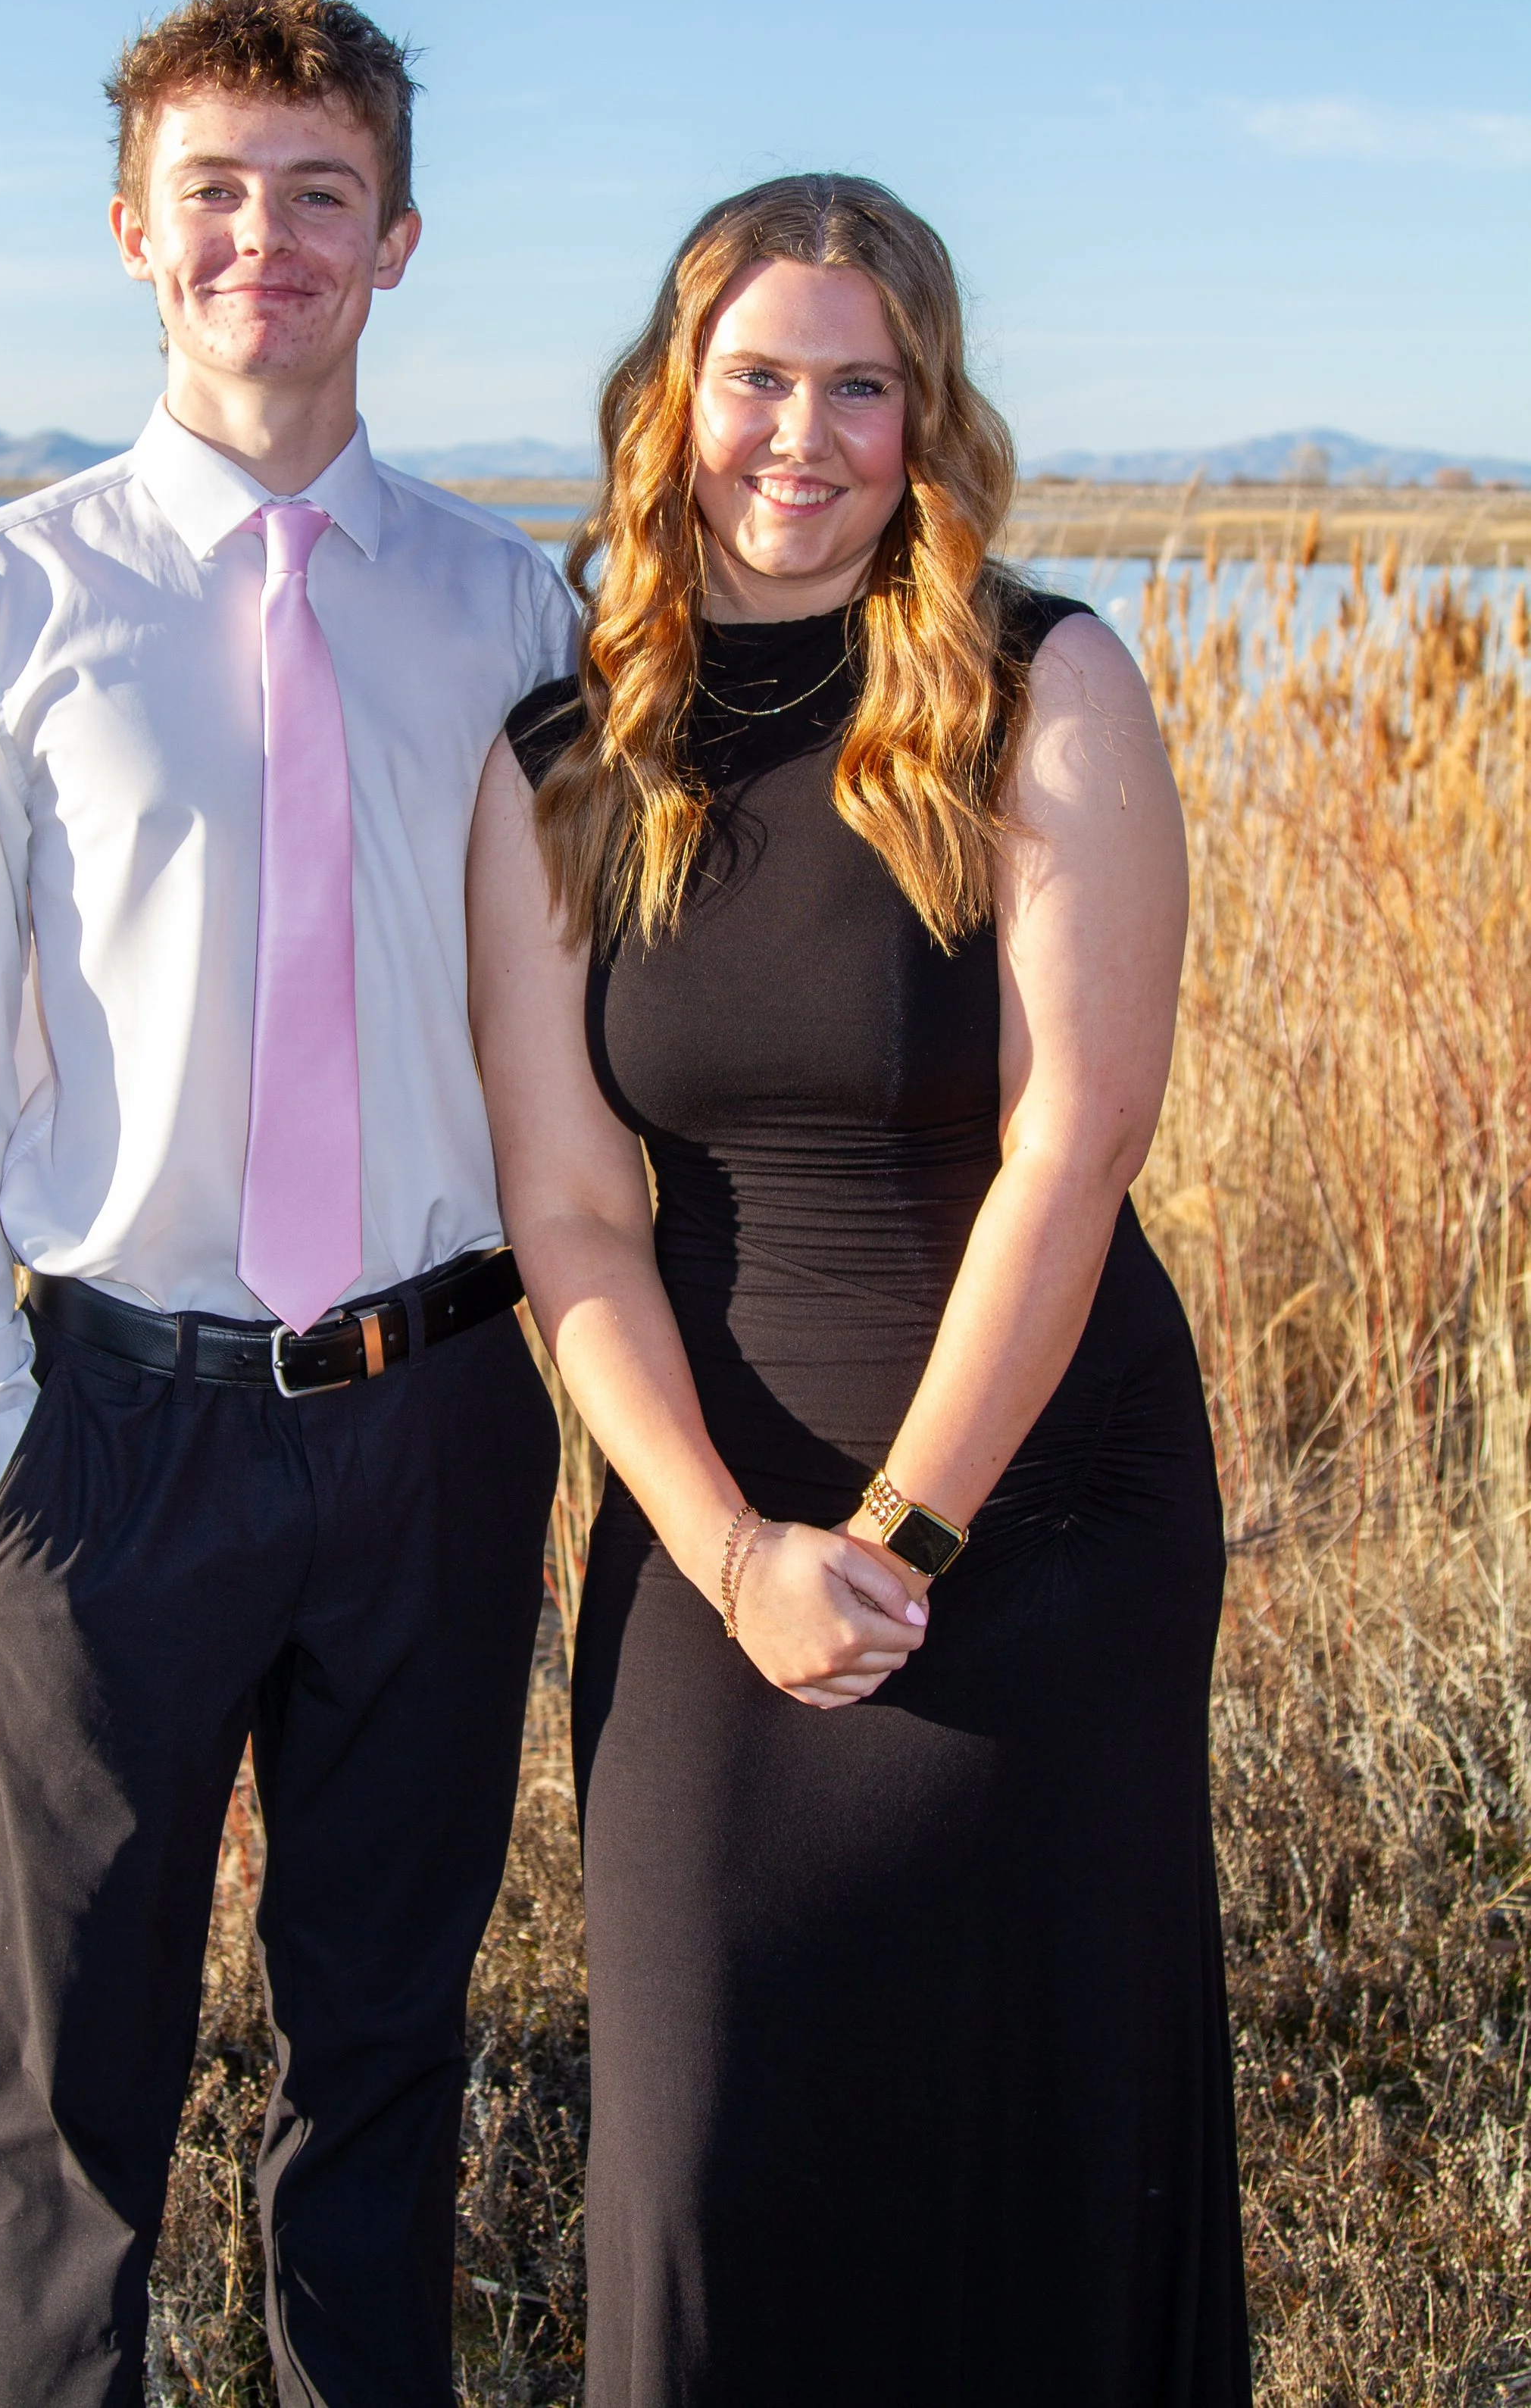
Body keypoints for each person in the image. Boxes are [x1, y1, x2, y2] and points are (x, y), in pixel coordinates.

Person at [467, 173, 1251, 2404]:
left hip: (1036, 1508)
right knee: (710, 2154)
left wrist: (895, 1540)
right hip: (709, 1522)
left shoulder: (1036, 682)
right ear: (669, 401)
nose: (797, 435)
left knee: (1029, 2130)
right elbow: (569, 1206)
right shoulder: (562, 758)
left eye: (858, 384)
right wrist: (731, 1552)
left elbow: (1074, 1138)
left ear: (924, 416)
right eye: (754, 378)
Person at [0, 0, 576, 2408]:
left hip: (437, 1418)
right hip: (121, 1430)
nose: (261, 237)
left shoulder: (516, 614)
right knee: (67, 2091)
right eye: (212, 190)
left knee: (385, 2049)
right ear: (129, 233)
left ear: (394, 237)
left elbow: (565, 1040)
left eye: (314, 192)